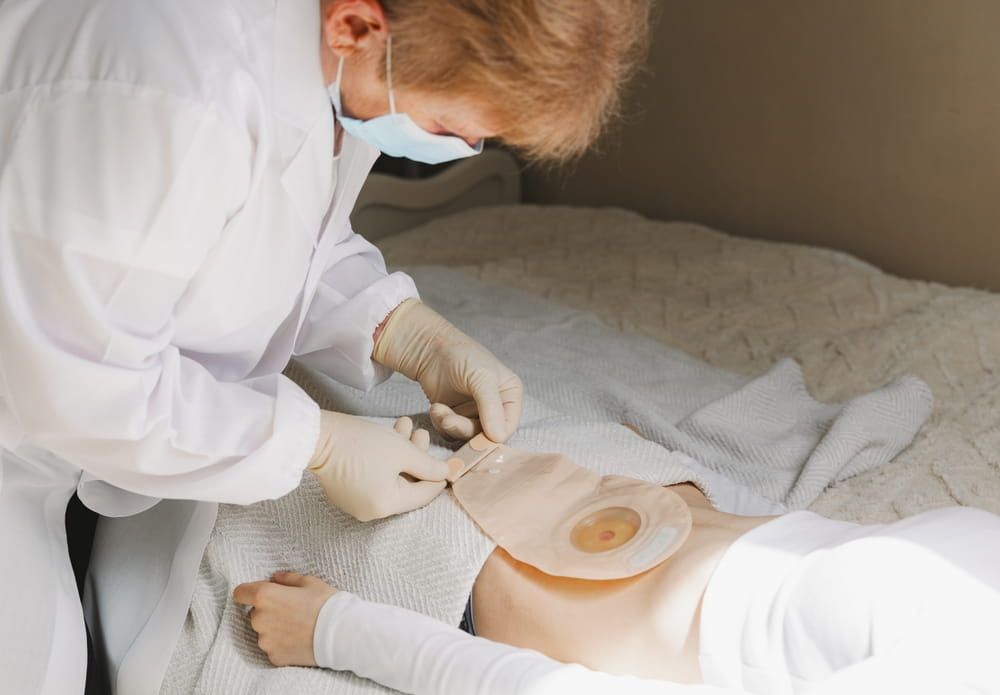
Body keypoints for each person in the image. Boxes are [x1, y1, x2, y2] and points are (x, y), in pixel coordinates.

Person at [0, 0, 650, 692]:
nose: (462, 148)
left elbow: (272, 234)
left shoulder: (344, 60)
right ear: (356, 25)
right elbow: (83, 385)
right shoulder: (174, 93)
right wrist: (313, 442)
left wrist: (399, 326)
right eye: (445, 127)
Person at [236, 425, 1000, 695]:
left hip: (486, 573)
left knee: (256, 474)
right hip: (628, 485)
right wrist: (682, 476)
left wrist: (335, 630)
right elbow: (800, 539)